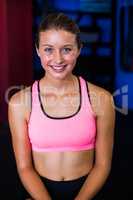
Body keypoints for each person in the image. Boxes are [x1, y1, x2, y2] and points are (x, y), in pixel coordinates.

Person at [8, 13, 115, 200]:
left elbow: (103, 165)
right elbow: (24, 167)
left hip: (87, 193)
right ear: (37, 50)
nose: (58, 59)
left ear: (79, 49)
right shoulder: (19, 103)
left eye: (66, 49)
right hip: (39, 193)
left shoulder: (102, 99)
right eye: (48, 49)